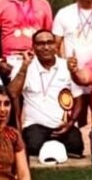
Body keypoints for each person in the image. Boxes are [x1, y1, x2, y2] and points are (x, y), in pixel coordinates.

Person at [7, 29, 85, 157]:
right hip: (35, 125)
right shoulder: (23, 66)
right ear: (33, 47)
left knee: (76, 147)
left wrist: (70, 123)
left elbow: (78, 98)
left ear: (55, 45)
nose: (46, 47)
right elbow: (12, 93)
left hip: (64, 125)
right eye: (41, 44)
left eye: (50, 43)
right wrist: (24, 67)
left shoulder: (66, 66)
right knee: (33, 148)